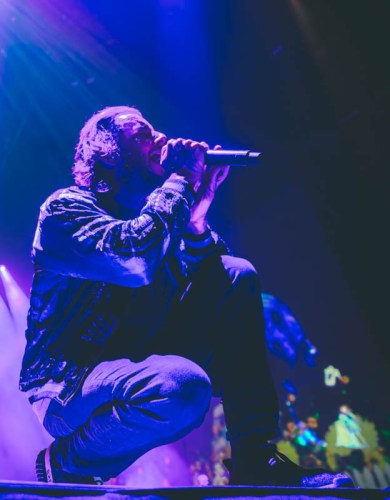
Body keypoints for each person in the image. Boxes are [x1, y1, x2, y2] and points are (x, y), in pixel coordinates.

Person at [19, 105, 354, 488]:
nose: (160, 138)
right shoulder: (65, 209)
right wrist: (179, 178)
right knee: (182, 386)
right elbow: (133, 257)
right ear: (108, 153)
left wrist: (195, 220)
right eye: (142, 135)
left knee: (236, 274)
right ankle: (67, 461)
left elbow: (211, 286)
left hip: (137, 361)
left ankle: (254, 456)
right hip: (69, 385)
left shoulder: (162, 218)